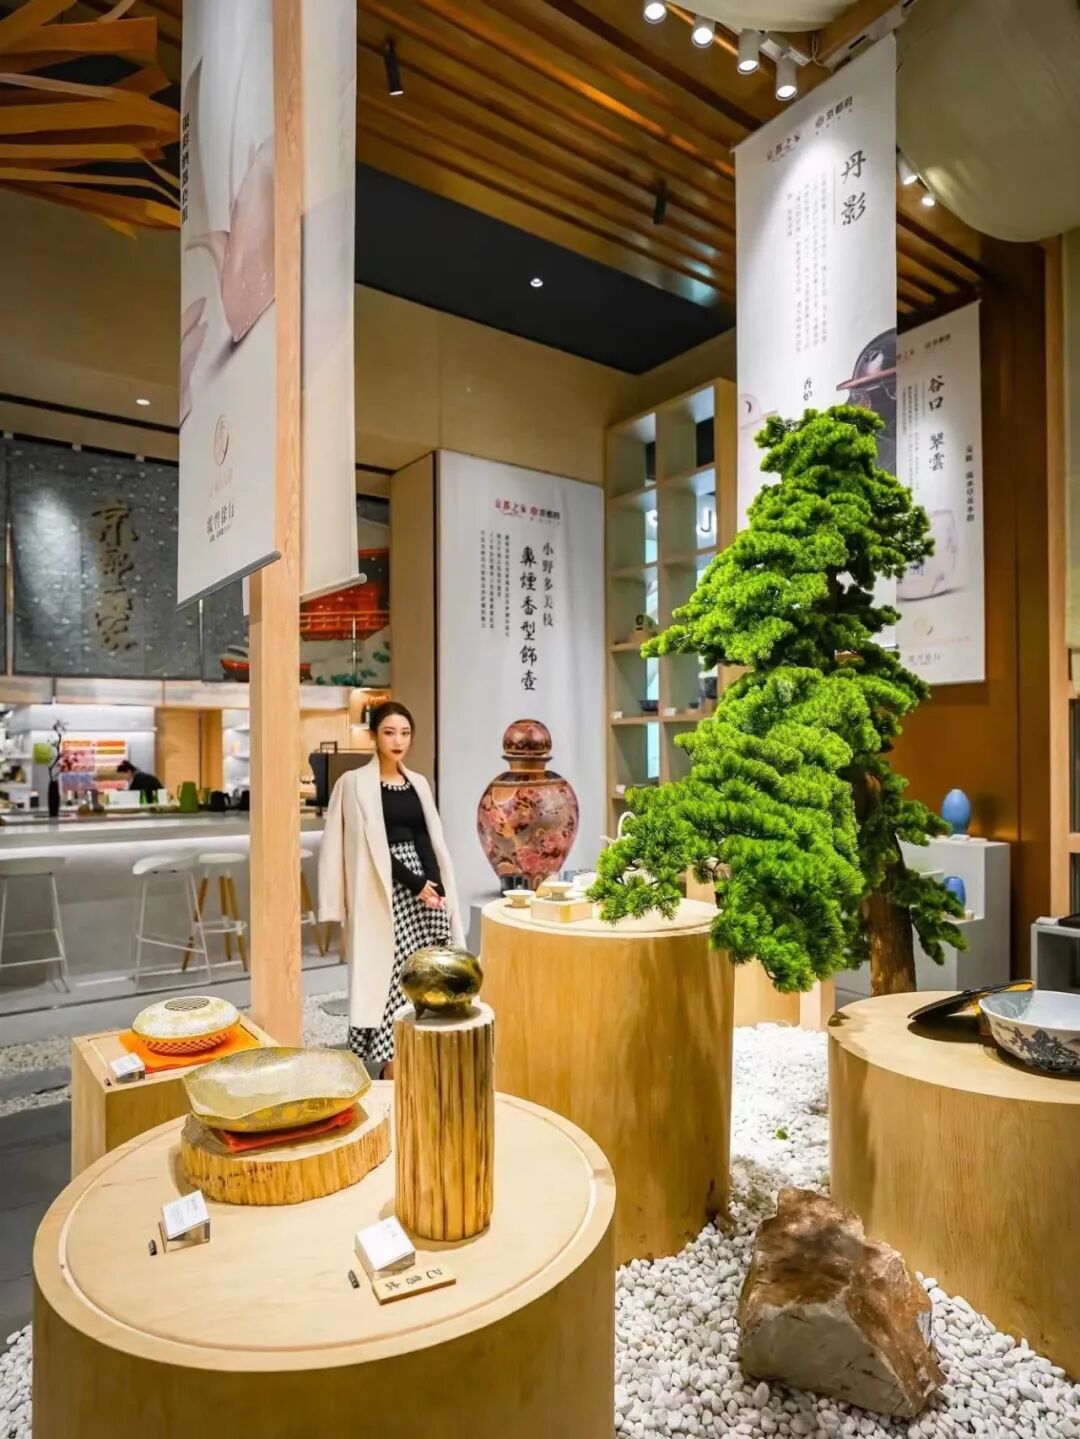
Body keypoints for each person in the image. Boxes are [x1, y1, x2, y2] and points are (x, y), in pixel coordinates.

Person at [318, 701, 464, 1077]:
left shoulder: (418, 782)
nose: (398, 741)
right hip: (383, 888)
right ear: (374, 736)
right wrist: (415, 884)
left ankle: (423, 1052)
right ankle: (391, 1064)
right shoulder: (352, 784)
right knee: (392, 975)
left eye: (405, 733)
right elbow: (362, 849)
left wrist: (435, 884)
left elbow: (426, 835)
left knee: (429, 970)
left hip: (423, 889)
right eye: (389, 732)